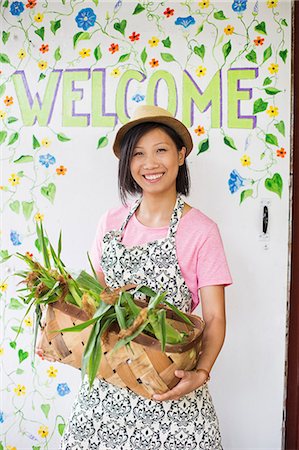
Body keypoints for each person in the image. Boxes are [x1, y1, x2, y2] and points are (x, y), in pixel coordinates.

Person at [40, 105, 233, 449]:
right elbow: (94, 305)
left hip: (169, 389)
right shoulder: (111, 223)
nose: (150, 163)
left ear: (181, 155)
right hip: (109, 387)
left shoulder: (201, 230)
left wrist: (200, 374)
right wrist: (60, 334)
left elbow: (215, 317)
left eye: (161, 150)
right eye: (138, 154)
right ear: (128, 164)